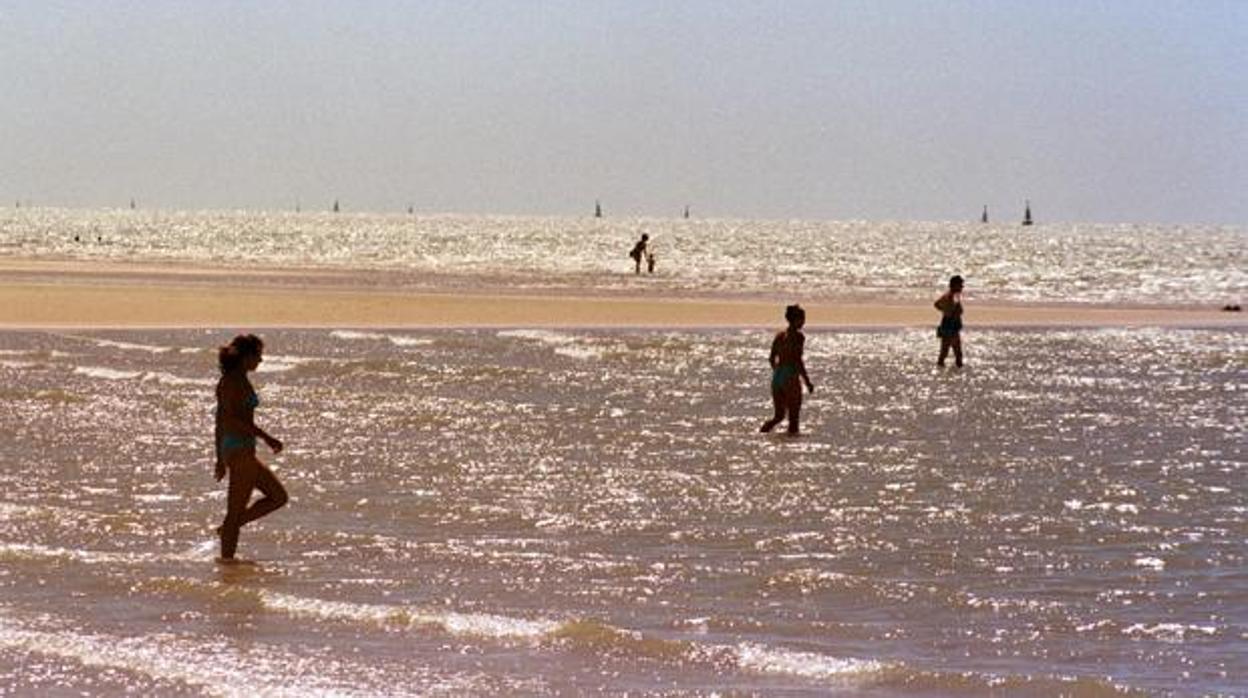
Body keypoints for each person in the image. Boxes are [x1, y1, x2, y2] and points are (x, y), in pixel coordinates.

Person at [214, 334, 287, 561]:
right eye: (258, 355)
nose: (261, 361)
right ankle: (227, 565)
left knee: (278, 497)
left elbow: (220, 421)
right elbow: (230, 420)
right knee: (234, 513)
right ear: (246, 357)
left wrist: (219, 458)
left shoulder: (239, 378)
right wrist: (266, 437)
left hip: (239, 449)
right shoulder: (232, 382)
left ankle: (227, 529)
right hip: (239, 449)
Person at [760, 304, 815, 435]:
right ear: (795, 320)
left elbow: (771, 358)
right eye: (802, 319)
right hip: (790, 376)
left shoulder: (779, 336)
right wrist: (807, 382)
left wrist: (779, 373)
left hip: (778, 377)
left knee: (778, 417)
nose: (803, 322)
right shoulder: (798, 337)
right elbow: (798, 361)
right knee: (794, 421)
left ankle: (760, 434)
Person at [934, 275, 965, 368]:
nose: (962, 287)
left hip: (946, 323)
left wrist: (945, 311)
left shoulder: (947, 295)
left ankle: (940, 368)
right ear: (954, 285)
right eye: (960, 285)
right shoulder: (955, 296)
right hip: (951, 325)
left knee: (944, 352)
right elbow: (957, 310)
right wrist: (951, 313)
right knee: (957, 353)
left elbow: (937, 304)